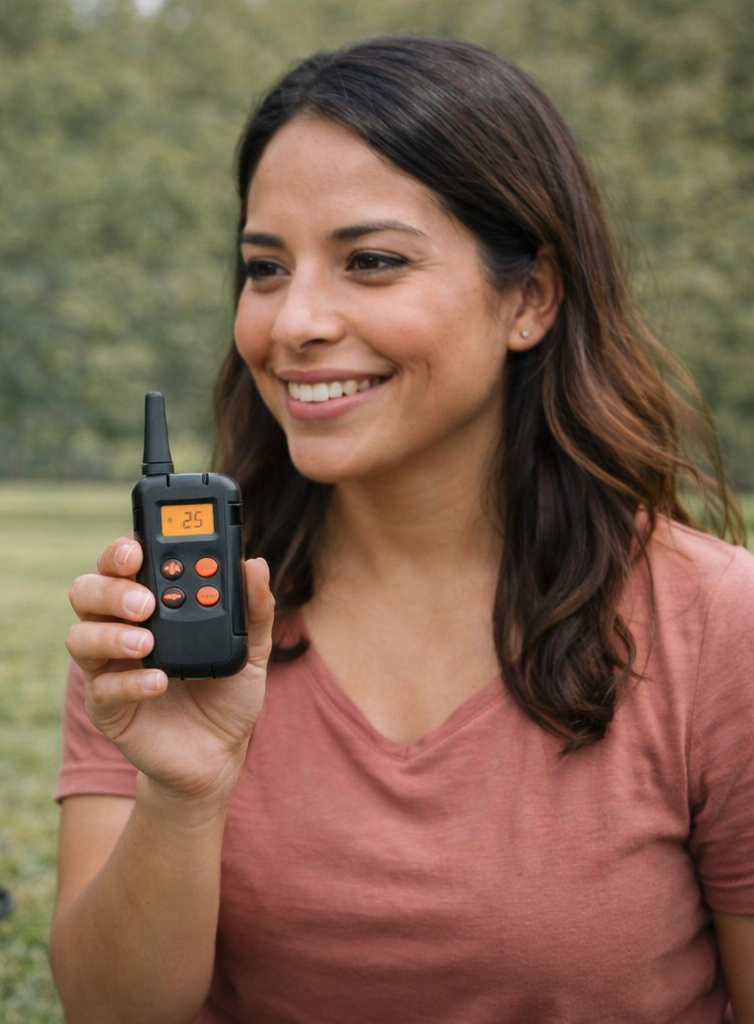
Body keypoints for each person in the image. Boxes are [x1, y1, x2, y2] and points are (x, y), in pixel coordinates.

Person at [51, 34, 754, 1023]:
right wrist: (182, 794)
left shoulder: (720, 626)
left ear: (531, 298)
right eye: (264, 267)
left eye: (372, 262)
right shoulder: (164, 619)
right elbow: (110, 1011)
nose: (293, 322)